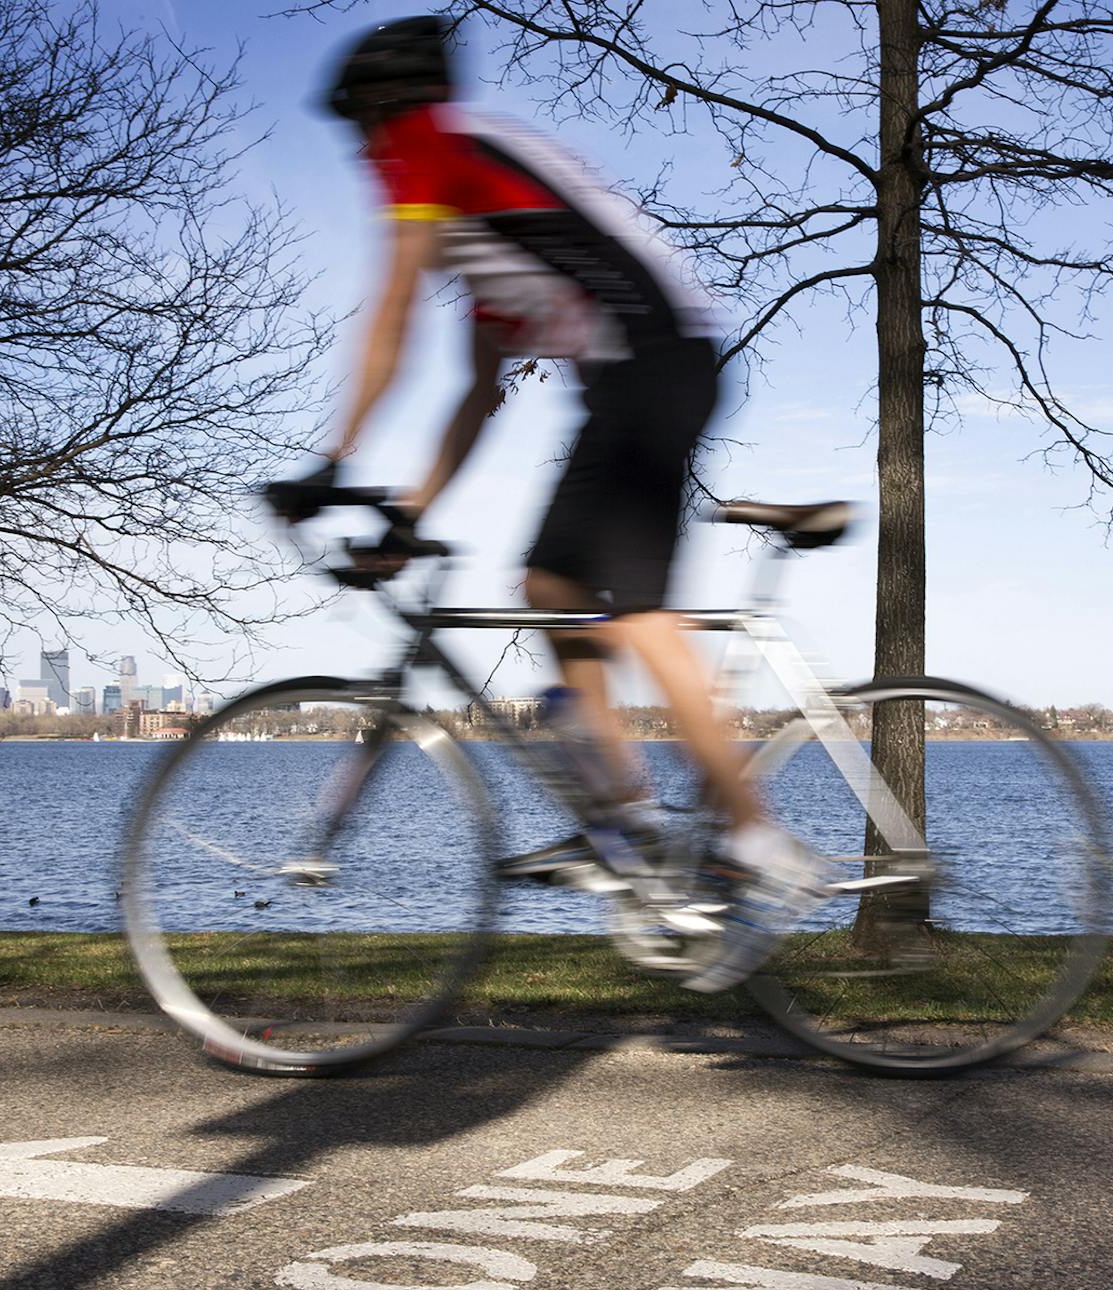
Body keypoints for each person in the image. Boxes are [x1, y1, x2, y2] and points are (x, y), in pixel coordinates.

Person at [307, 15, 827, 993]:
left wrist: (332, 459)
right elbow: (474, 396)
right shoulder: (485, 232)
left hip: (652, 371)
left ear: (388, 110)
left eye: (364, 130)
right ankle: (623, 826)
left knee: (638, 616)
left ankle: (761, 841)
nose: (367, 155)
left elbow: (388, 324)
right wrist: (409, 515)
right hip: (641, 377)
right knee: (547, 579)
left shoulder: (433, 150)